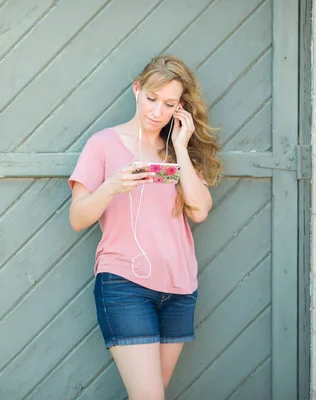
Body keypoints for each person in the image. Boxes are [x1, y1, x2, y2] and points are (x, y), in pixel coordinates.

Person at [68, 54, 221, 400]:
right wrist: (113, 186)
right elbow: (77, 218)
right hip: (125, 285)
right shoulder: (102, 144)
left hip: (180, 289)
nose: (157, 111)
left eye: (168, 104)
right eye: (151, 98)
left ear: (179, 108)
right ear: (137, 90)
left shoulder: (177, 152)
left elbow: (199, 211)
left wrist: (180, 147)